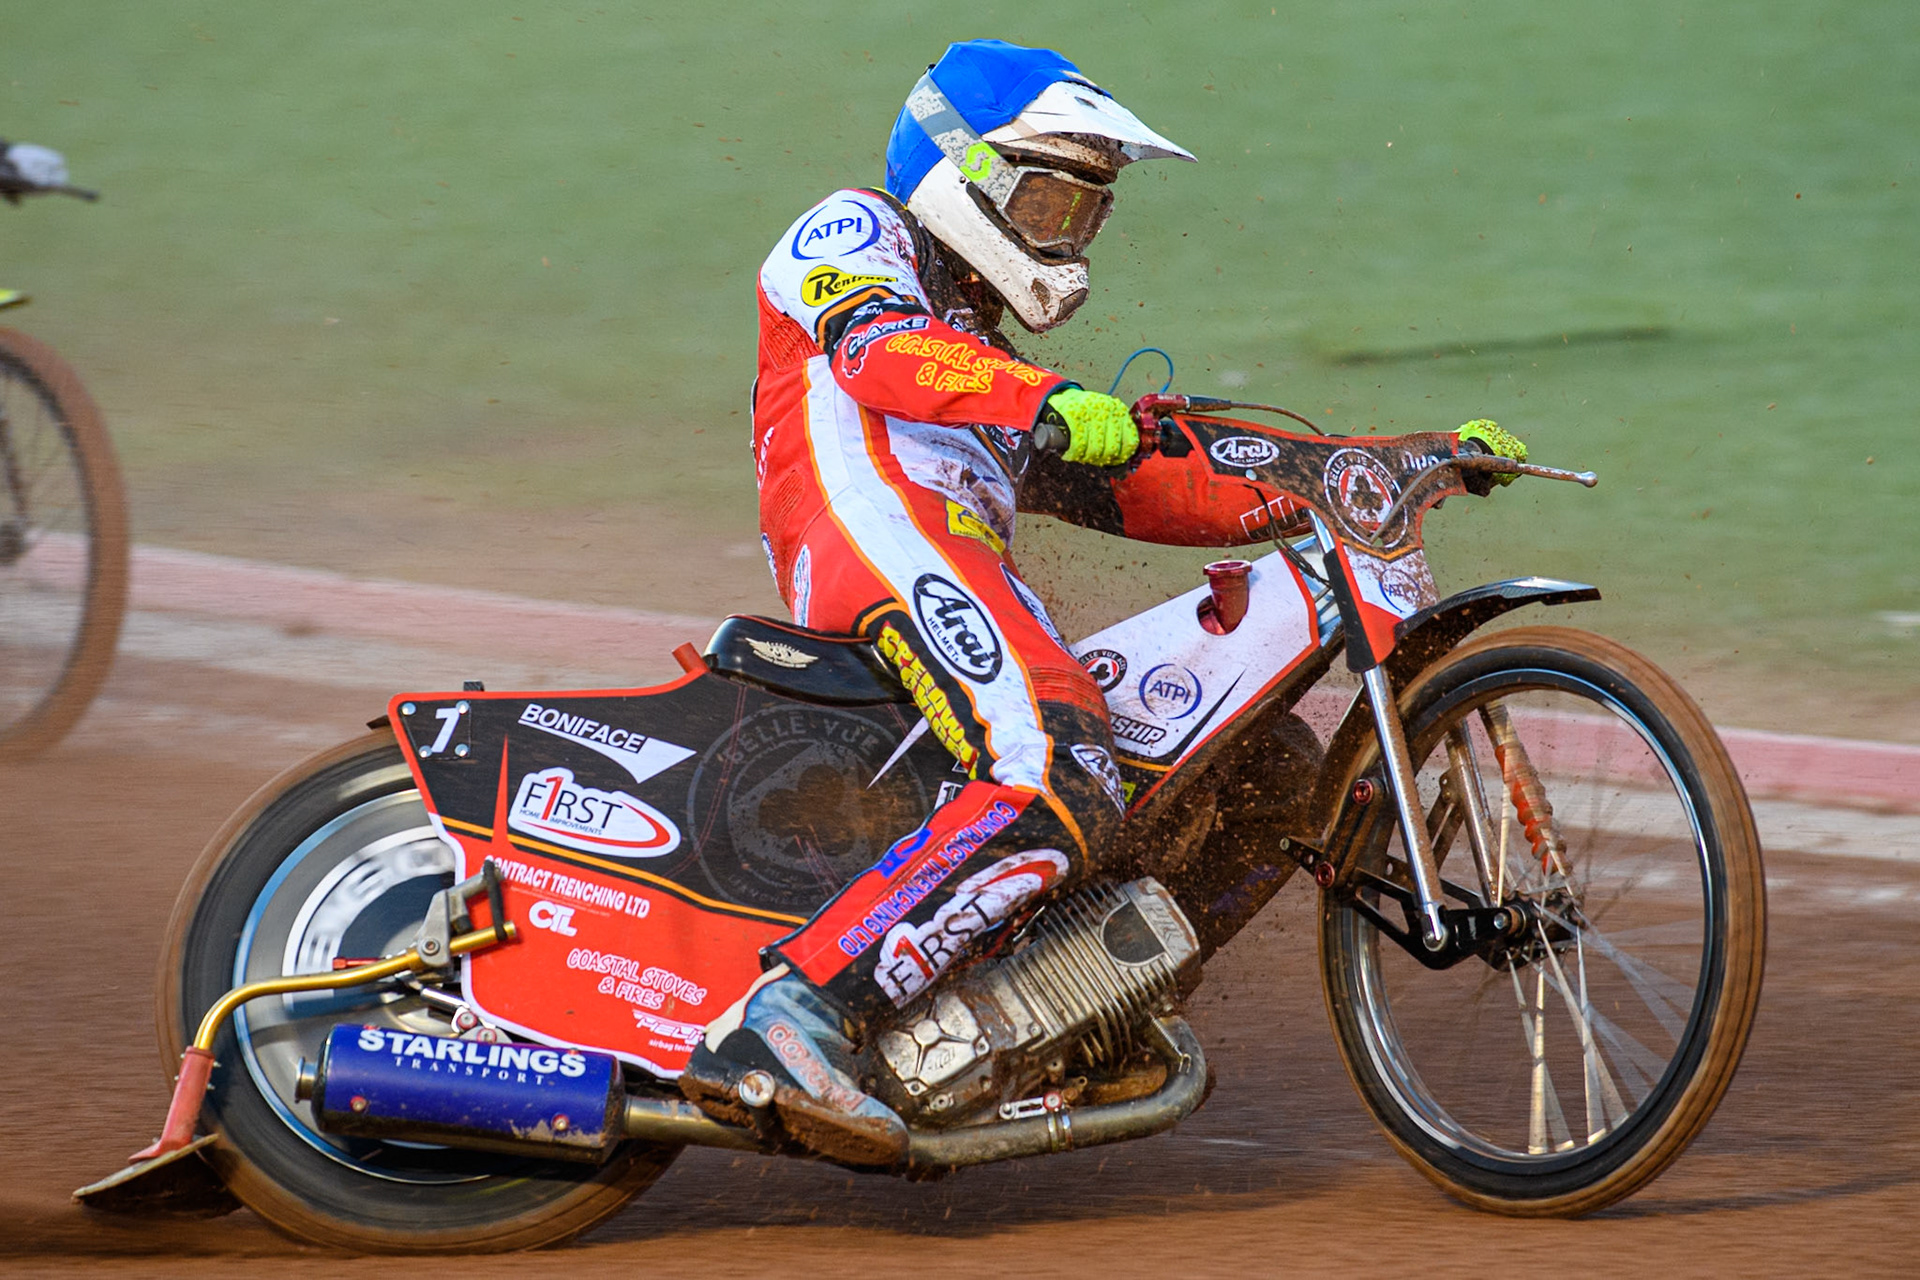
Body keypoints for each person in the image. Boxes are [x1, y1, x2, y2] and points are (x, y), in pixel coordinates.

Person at [681, 38, 1520, 1165]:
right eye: (1044, 198)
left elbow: (1147, 482)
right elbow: (882, 355)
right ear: (960, 173)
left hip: (951, 573)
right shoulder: (851, 232)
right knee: (1055, 761)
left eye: (1087, 213)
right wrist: (1046, 395)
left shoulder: (985, 354)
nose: (1065, 237)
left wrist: (1375, 464)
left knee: (1262, 780)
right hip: (870, 543)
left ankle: (1057, 1026)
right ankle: (792, 1017)